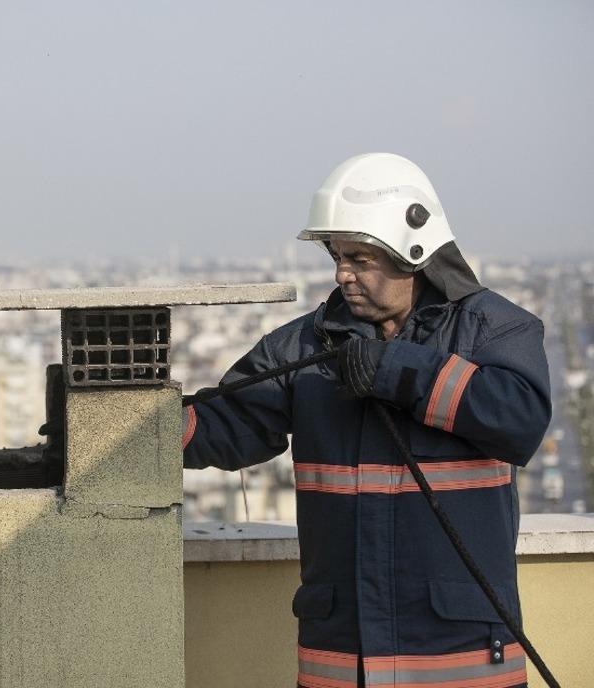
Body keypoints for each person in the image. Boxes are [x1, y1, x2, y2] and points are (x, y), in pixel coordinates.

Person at [182, 153, 549, 688]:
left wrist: (398, 369)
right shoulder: (305, 345)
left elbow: (520, 419)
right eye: (336, 256)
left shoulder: (494, 331)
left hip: (463, 661)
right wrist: (128, 430)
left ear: (412, 252)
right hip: (342, 660)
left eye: (359, 258)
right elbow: (230, 423)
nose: (342, 274)